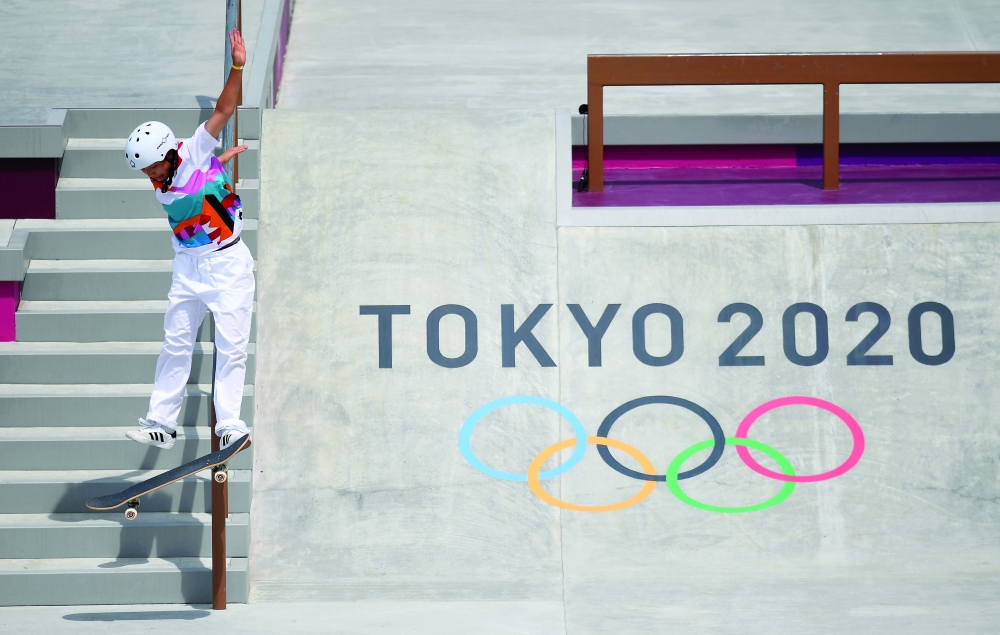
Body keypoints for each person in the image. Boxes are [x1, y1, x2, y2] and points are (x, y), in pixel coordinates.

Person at [122, 29, 253, 451]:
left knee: (231, 347)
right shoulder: (174, 169)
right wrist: (216, 166)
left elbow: (225, 108)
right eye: (146, 172)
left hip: (228, 263)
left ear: (170, 153)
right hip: (188, 264)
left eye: (154, 168)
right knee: (176, 342)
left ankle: (229, 423)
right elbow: (189, 185)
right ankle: (161, 421)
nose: (151, 177)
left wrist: (237, 66)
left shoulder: (193, 148)